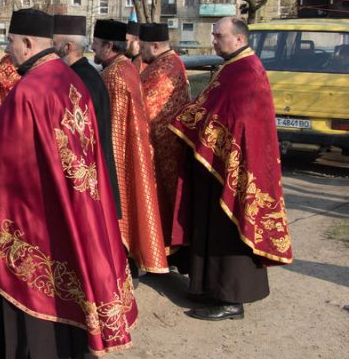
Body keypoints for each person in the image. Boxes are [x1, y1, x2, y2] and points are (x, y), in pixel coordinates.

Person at [0, 9, 137, 357]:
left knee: (30, 285)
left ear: (27, 42)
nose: (8, 50)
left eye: (10, 42)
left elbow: (0, 158)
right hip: (68, 202)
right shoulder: (68, 80)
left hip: (32, 213)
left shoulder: (30, 90)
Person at [169, 17, 292, 321]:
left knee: (229, 227)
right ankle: (211, 288)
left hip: (236, 167)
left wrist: (198, 124)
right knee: (213, 226)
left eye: (219, 36)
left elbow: (239, 120)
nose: (213, 41)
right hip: (221, 164)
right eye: (213, 35)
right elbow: (213, 107)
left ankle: (231, 299)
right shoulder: (233, 66)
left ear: (238, 39)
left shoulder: (246, 71)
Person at [91, 19, 168, 276]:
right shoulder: (127, 68)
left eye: (96, 45)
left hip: (119, 156)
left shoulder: (112, 77)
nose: (93, 50)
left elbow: (109, 128)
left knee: (118, 213)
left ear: (109, 46)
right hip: (132, 149)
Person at [52, 13, 121, 218]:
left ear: (67, 48)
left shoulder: (79, 81)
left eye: (53, 43)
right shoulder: (85, 74)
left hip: (87, 179)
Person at [138, 22, 190, 248]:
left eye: (143, 47)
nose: (140, 51)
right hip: (163, 146)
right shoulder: (165, 62)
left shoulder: (164, 68)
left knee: (165, 202)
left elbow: (143, 107)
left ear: (155, 45)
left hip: (164, 148)